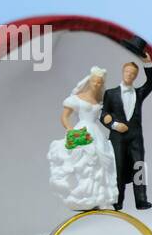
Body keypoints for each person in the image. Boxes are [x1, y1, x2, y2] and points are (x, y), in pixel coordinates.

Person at [47, 67, 119, 210]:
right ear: (89, 81)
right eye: (94, 82)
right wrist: (69, 129)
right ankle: (81, 194)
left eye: (100, 83)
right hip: (82, 131)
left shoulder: (101, 100)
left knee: (100, 163)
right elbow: (64, 116)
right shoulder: (77, 99)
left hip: (96, 133)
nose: (97, 85)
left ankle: (97, 196)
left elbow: (104, 116)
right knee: (83, 162)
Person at [102, 36, 152, 211]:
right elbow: (103, 114)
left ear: (135, 76)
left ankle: (141, 199)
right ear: (122, 72)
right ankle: (117, 200)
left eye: (133, 74)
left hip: (135, 137)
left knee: (139, 166)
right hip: (117, 136)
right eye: (127, 72)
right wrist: (114, 125)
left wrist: (147, 63)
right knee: (118, 168)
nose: (130, 75)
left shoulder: (139, 93)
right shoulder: (111, 94)